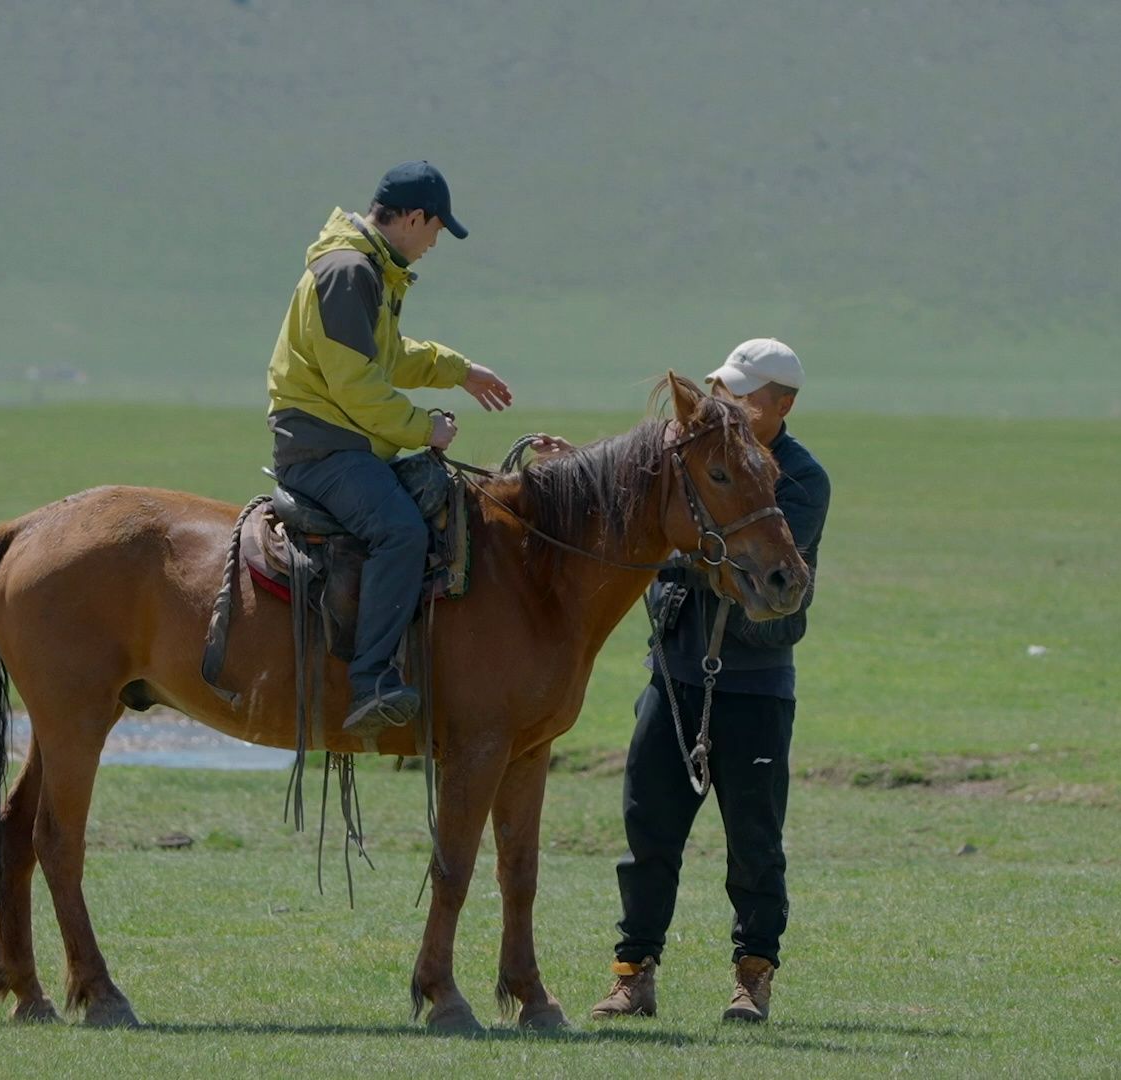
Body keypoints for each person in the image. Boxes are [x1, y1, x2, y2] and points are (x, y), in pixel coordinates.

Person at [539, 338, 830, 1024]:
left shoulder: (801, 480)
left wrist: (670, 546)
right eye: (722, 388)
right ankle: (632, 976)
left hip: (756, 682)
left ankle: (752, 977)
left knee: (755, 843)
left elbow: (754, 569)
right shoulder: (691, 456)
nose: (725, 401)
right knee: (649, 829)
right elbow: (633, 515)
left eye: (744, 393)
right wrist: (573, 473)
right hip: (674, 676)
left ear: (782, 405)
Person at [266, 161, 513, 738]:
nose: (433, 243)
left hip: (340, 436)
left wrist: (458, 371)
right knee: (400, 531)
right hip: (323, 445)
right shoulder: (350, 271)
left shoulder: (368, 268)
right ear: (412, 218)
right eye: (435, 230)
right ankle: (371, 680)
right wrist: (421, 429)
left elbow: (388, 355)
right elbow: (354, 381)